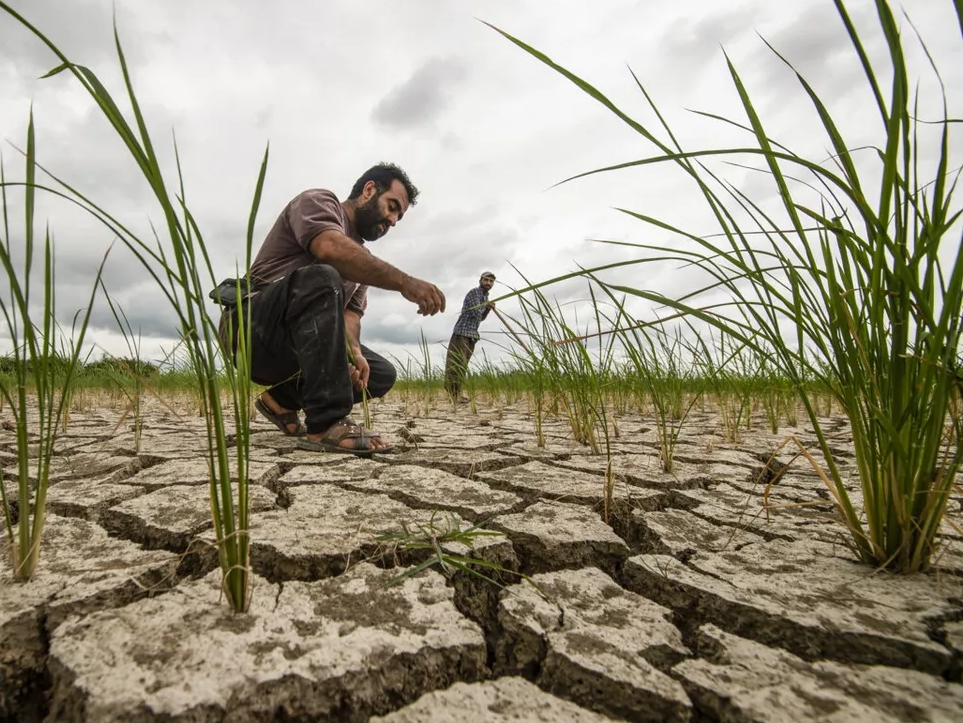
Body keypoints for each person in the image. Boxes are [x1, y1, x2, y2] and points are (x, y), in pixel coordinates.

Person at [220, 162, 445, 455]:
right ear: (368, 191)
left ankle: (280, 401)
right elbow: (328, 247)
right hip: (251, 330)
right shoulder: (318, 202)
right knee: (324, 275)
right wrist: (405, 283)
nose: (392, 221)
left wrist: (354, 355)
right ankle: (326, 424)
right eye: (391, 207)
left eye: (398, 218)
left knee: (379, 373)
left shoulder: (361, 260)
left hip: (299, 348)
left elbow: (350, 318)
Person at [444, 271, 496, 402]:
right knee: (456, 364)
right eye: (486, 280)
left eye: (491, 281)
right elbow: (475, 313)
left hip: (472, 335)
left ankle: (456, 393)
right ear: (480, 280)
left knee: (463, 365)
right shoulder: (475, 293)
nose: (488, 283)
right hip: (462, 333)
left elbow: (481, 317)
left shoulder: (485, 297)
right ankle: (453, 394)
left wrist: (488, 309)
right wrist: (486, 306)